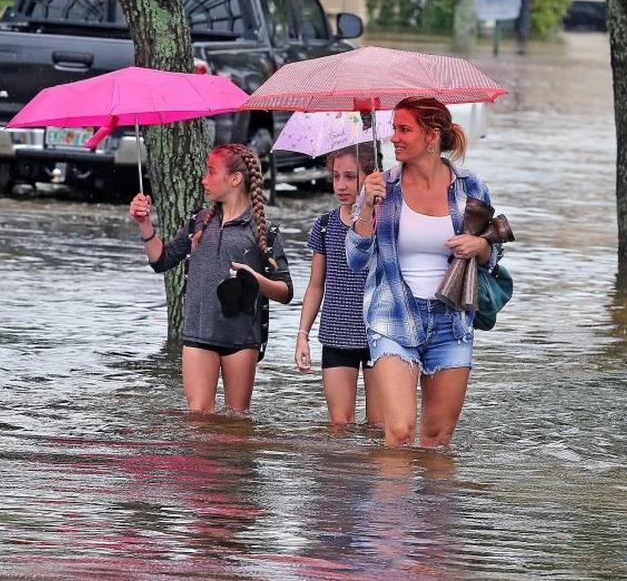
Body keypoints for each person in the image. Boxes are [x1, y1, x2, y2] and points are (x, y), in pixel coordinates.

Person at [347, 97, 499, 448]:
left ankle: (433, 507)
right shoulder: (382, 187)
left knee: (438, 438)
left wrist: (480, 247)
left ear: (431, 135)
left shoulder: (470, 187)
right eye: (393, 129)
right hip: (392, 316)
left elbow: (493, 252)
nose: (394, 137)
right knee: (399, 432)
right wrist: (367, 205)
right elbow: (355, 259)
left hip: (452, 319)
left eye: (404, 130)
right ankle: (392, 506)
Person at [129, 143, 292, 413]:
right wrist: (145, 224)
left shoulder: (263, 231)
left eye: (211, 172)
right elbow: (162, 261)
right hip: (199, 333)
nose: (204, 179)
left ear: (235, 179)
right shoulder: (199, 222)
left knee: (237, 421)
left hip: (241, 339)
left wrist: (255, 278)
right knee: (198, 416)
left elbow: (285, 291)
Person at [295, 145, 382, 426]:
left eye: (350, 177)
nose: (341, 185)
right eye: (336, 177)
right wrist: (302, 334)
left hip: (379, 336)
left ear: (369, 177)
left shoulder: (385, 224)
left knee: (379, 426)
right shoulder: (325, 225)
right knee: (339, 425)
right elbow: (316, 285)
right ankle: (337, 473)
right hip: (336, 334)